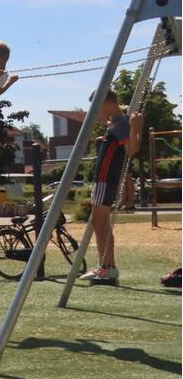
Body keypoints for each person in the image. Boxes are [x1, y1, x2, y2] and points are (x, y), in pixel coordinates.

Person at [80, 90, 143, 284]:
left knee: (99, 222)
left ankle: (107, 266)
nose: (95, 112)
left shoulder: (122, 123)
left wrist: (137, 127)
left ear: (107, 103)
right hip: (104, 180)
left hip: (106, 180)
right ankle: (107, 265)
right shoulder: (116, 123)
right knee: (100, 222)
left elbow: (131, 149)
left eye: (96, 107)